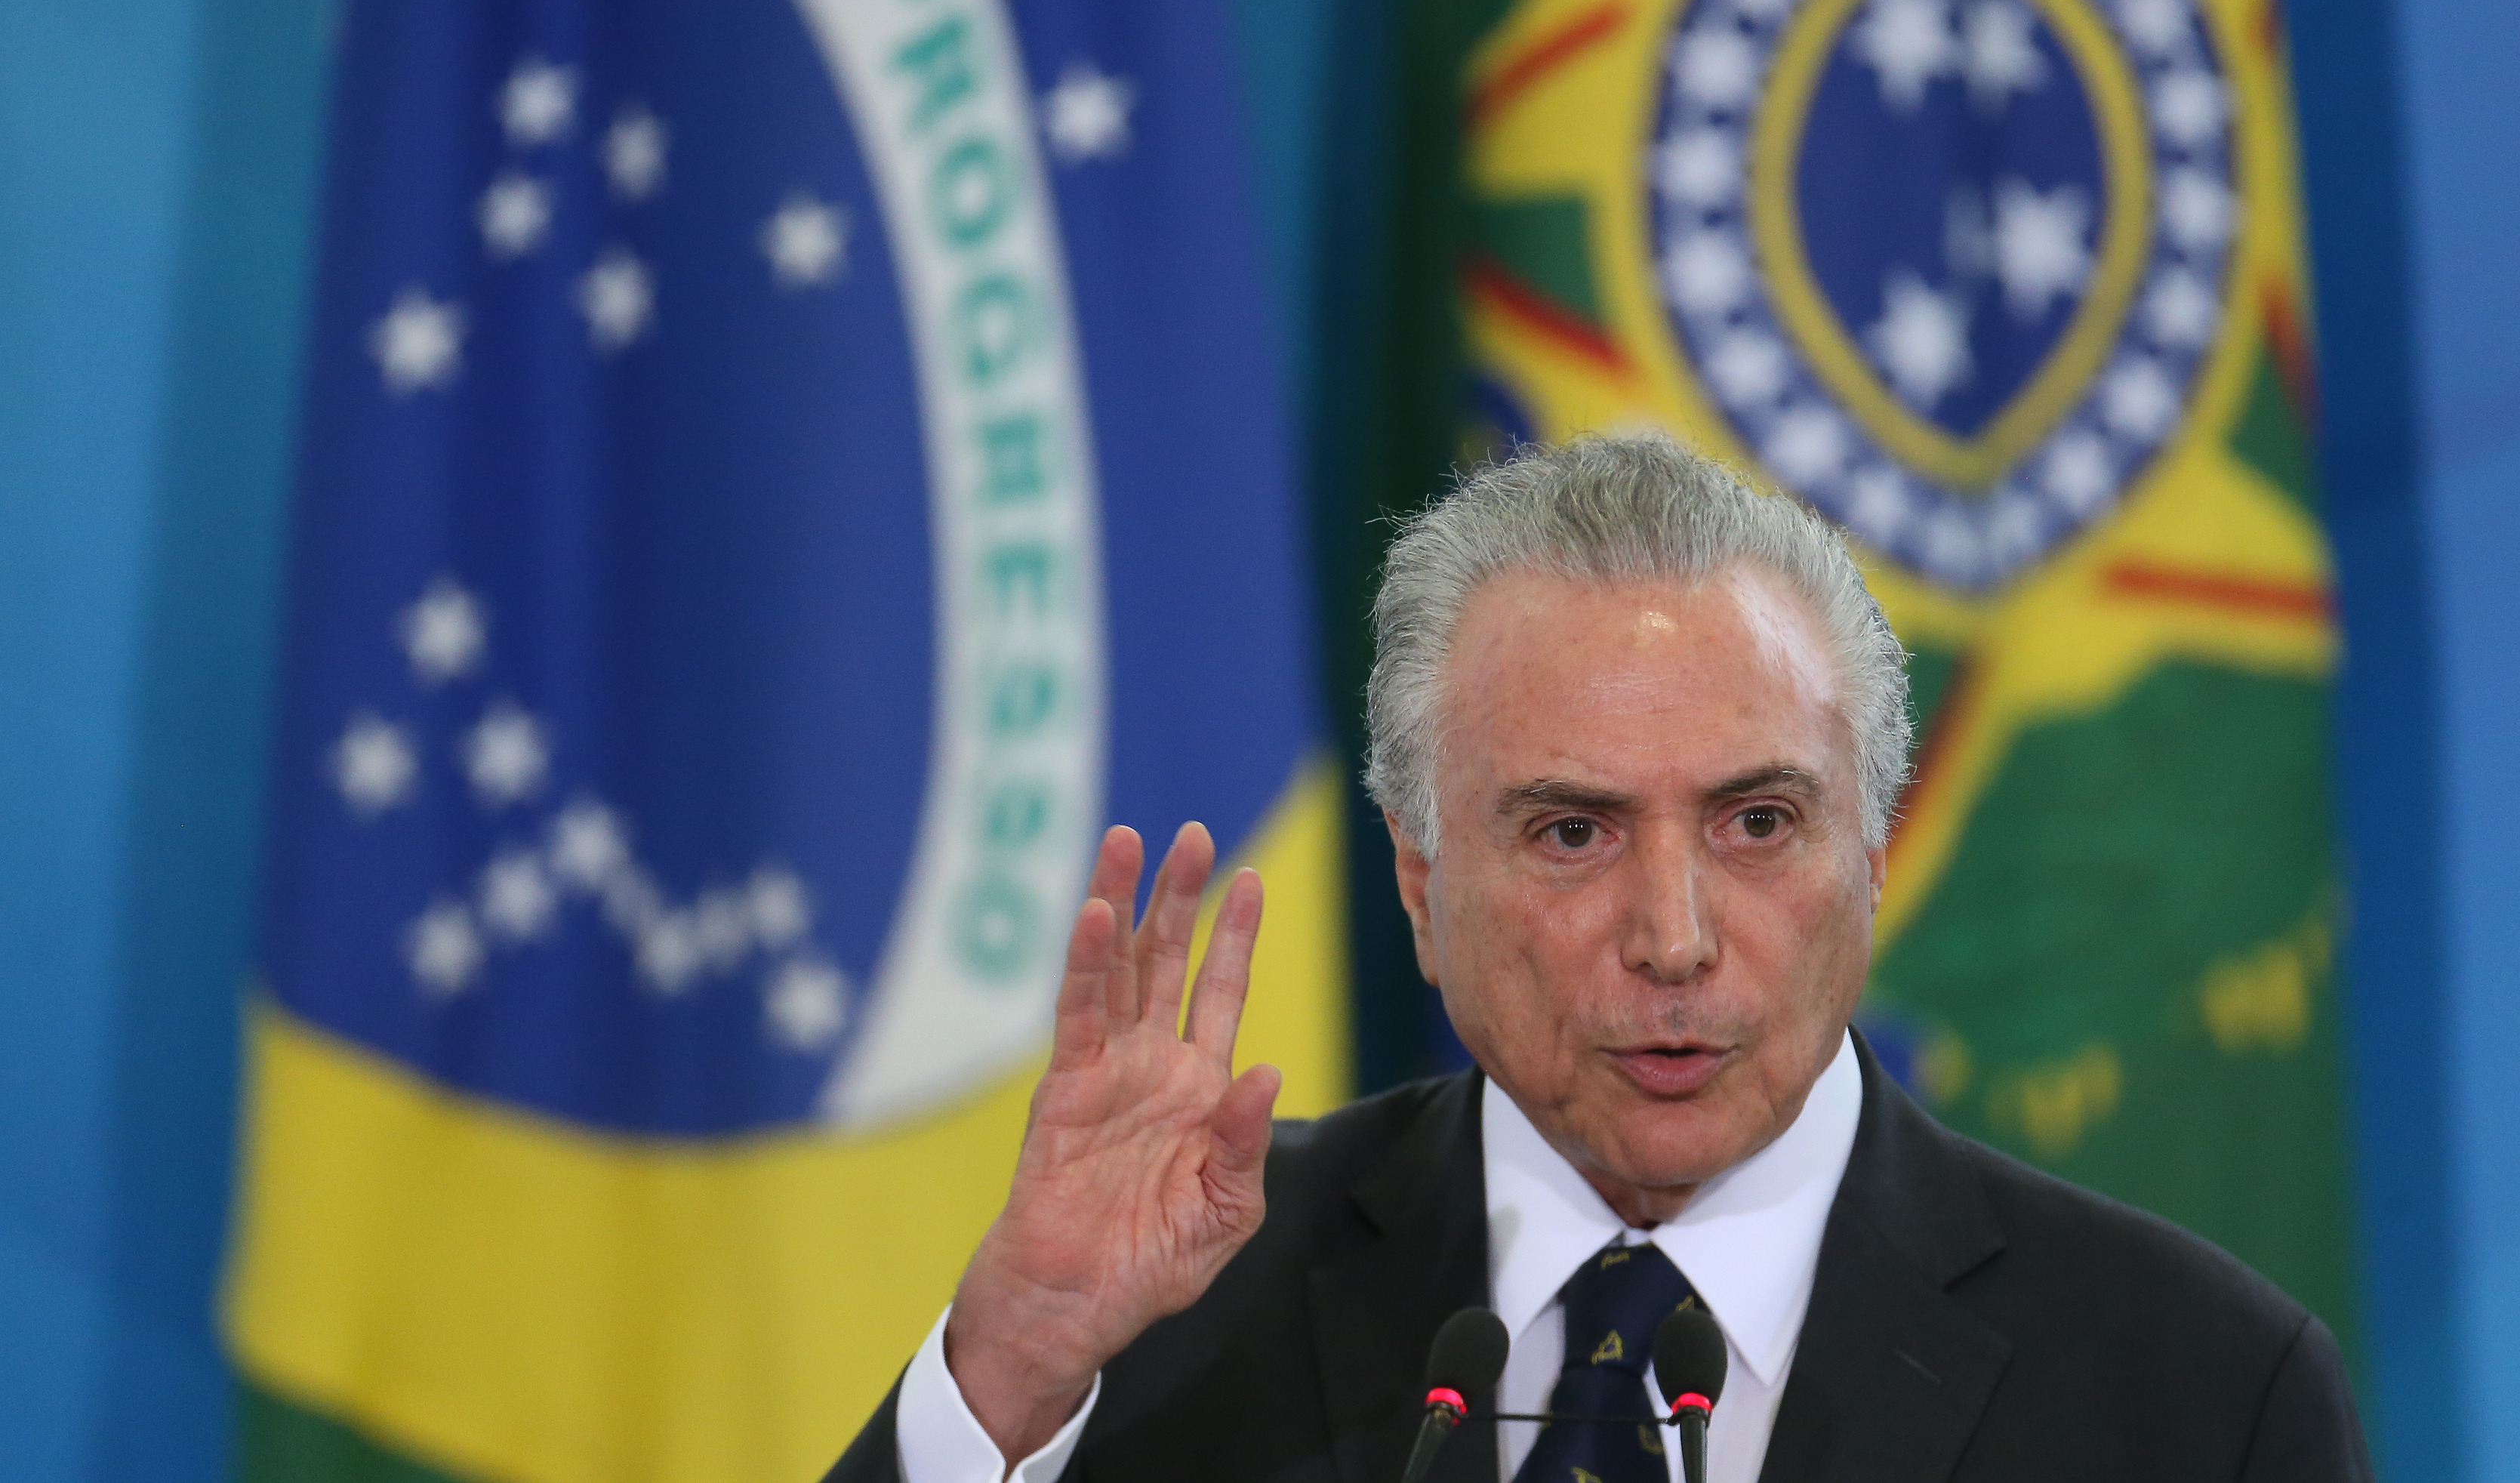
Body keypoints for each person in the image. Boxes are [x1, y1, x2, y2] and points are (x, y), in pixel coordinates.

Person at [826, 433, 2371, 1483]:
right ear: (1420, 882)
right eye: (1572, 832)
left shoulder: (2194, 1395)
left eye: (1757, 822)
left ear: (1872, 853)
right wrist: (1011, 1372)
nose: (1673, 937)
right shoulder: (1172, 1313)